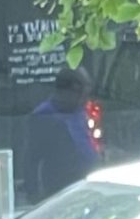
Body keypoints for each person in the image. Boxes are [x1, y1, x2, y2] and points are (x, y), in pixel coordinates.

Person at [27, 66, 98, 200]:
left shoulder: (79, 111)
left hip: (88, 185)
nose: (85, 100)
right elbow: (32, 158)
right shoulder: (44, 115)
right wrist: (33, 194)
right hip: (61, 189)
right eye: (83, 95)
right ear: (72, 90)